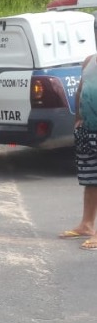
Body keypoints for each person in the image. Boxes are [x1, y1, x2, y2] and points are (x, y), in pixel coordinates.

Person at [62, 53, 97, 248]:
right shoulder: (89, 60)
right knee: (90, 179)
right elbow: (80, 91)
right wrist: (77, 119)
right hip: (86, 128)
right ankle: (87, 224)